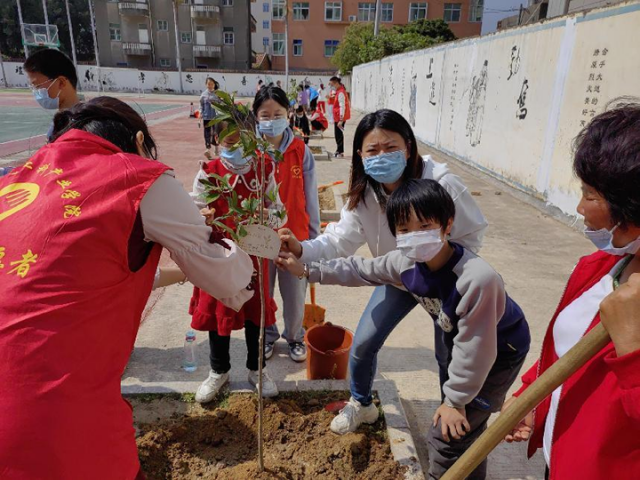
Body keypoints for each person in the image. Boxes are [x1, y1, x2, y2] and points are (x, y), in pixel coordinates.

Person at [0, 97, 255, 479]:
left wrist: (180, 264)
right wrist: (226, 248)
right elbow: (227, 277)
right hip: (51, 420)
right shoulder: (137, 176)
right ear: (139, 142)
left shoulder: (15, 179)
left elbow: (85, 284)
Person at [278, 179, 530, 479]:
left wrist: (455, 401)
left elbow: (477, 348)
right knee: (464, 430)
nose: (415, 236)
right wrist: (308, 270)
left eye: (425, 226)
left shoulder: (477, 280)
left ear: (447, 225)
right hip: (461, 336)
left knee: (449, 436)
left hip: (500, 349)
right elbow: (359, 269)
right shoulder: (405, 262)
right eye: (405, 229)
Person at [279, 109, 487, 432]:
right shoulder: (365, 194)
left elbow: (472, 235)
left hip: (445, 283)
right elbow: (338, 242)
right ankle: (361, 404)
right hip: (398, 277)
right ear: (359, 156)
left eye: (390, 148)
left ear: (408, 146)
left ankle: (454, 416)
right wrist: (302, 251)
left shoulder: (442, 183)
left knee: (448, 355)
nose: (381, 157)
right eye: (372, 151)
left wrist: (441, 268)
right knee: (363, 343)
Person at [502, 102, 640, 480]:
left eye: (591, 195)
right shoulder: (601, 267)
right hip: (560, 463)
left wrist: (631, 350)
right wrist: (535, 394)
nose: (580, 207)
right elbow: (567, 349)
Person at [189, 115, 285, 402]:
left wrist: (272, 216)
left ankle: (257, 370)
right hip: (218, 256)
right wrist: (201, 217)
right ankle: (219, 371)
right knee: (219, 313)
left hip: (254, 256)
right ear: (217, 141)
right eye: (229, 143)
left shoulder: (263, 168)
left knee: (255, 314)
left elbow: (279, 209)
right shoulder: (209, 171)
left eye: (242, 143)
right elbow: (193, 208)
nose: (236, 149)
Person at [254, 85, 320, 362]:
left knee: (294, 293)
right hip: (259, 236)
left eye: (277, 113)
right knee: (262, 294)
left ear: (288, 114)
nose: (271, 120)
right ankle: (267, 336)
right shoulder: (249, 151)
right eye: (265, 115)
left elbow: (311, 193)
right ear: (256, 117)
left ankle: (294, 337)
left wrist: (314, 239)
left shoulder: (300, 150)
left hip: (295, 235)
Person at [24, 48, 81, 141]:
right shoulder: (59, 121)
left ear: (61, 82)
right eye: (32, 87)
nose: (36, 92)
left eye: (38, 86)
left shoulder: (80, 124)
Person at [329, 76, 350, 158]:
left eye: (331, 84)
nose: (331, 86)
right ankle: (339, 150)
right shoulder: (339, 91)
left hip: (340, 118)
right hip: (337, 117)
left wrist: (341, 120)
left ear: (336, 83)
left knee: (338, 134)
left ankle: (340, 152)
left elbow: (342, 106)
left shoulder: (341, 92)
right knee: (338, 134)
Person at [199, 77, 220, 156]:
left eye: (212, 84)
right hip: (206, 117)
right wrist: (201, 113)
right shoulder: (203, 94)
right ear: (206, 85)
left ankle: (216, 149)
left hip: (216, 118)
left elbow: (221, 104)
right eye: (208, 84)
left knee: (216, 133)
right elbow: (201, 105)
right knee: (207, 133)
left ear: (214, 84)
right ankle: (207, 149)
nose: (210, 85)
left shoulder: (217, 94)